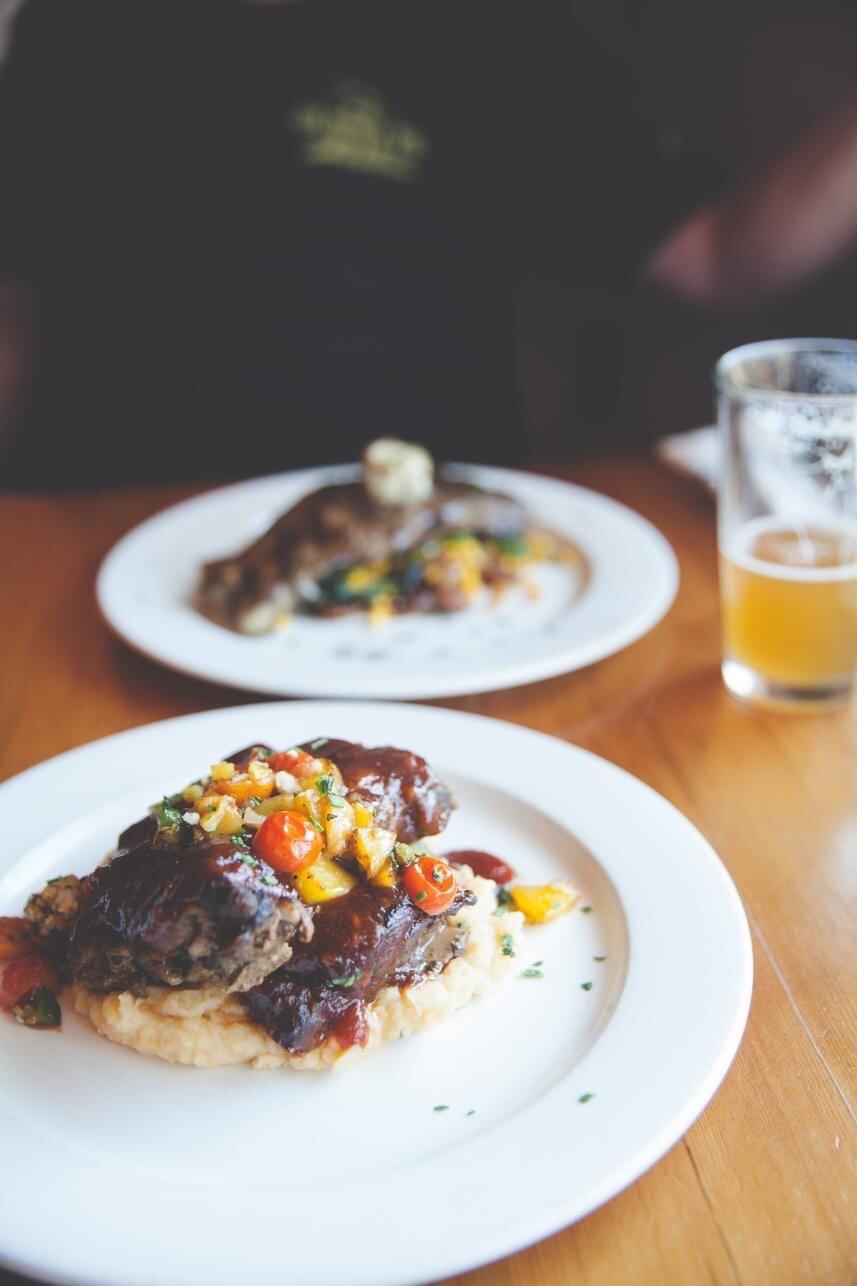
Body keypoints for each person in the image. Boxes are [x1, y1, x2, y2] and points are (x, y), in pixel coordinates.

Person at [0, 0, 856, 487]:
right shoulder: (80, 27)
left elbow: (715, 253)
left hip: (435, 540)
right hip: (101, 517)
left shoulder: (480, 33)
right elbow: (14, 313)